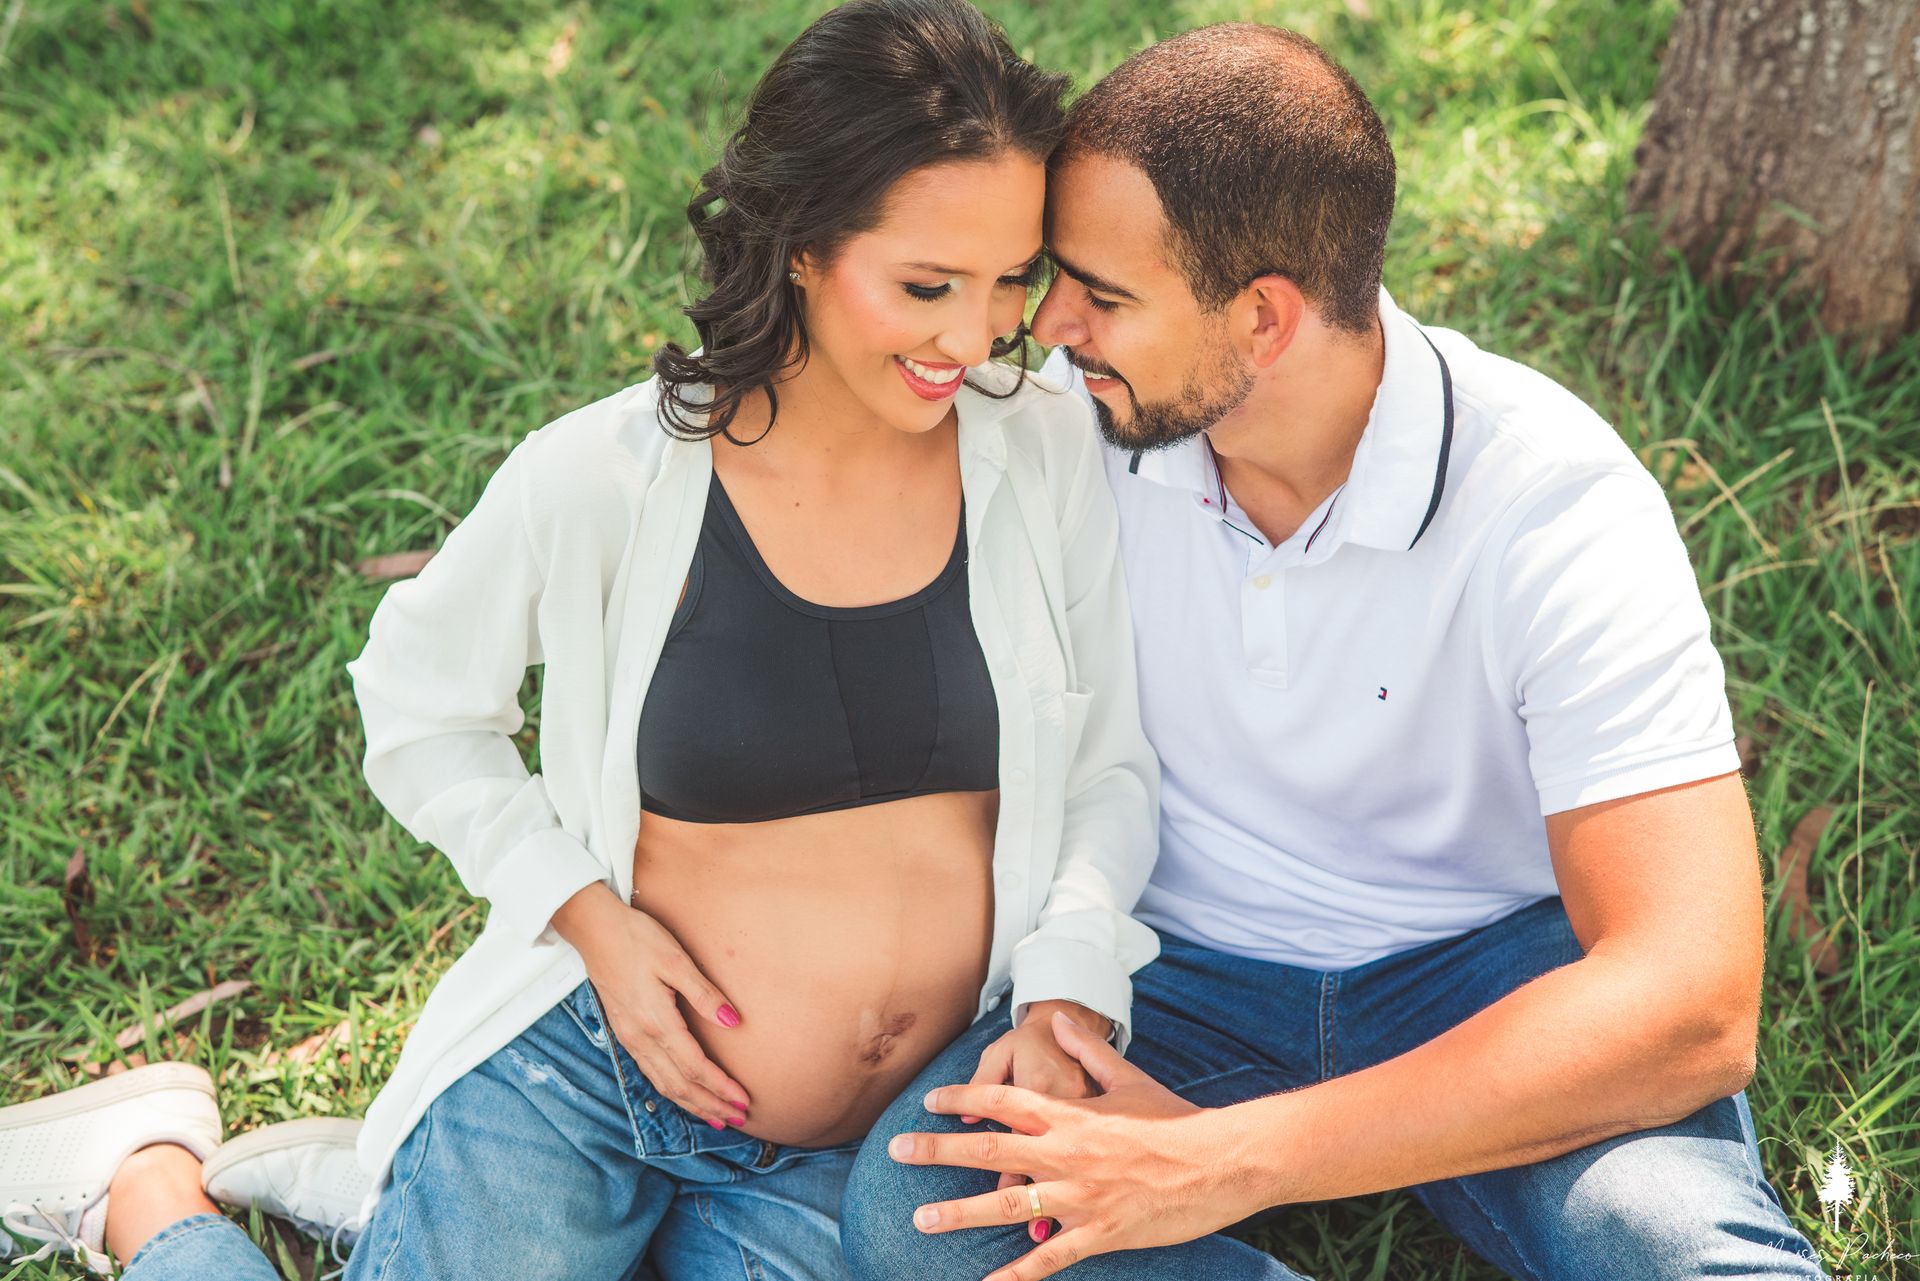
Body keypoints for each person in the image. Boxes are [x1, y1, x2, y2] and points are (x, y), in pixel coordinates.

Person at [0, 3, 1161, 1277]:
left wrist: (1067, 987)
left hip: (858, 1149)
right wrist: (591, 920)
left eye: (1010, 282)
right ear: (802, 248)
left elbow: (1106, 765)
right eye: (926, 286)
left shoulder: (1042, 451)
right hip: (591, 1080)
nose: (974, 338)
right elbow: (419, 707)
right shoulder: (604, 478)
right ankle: (147, 1188)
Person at [841, 23, 1829, 1281]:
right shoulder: (1067, 434)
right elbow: (779, 427)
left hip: (1486, 982)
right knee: (922, 1221)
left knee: (1678, 1252)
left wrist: (1233, 1159)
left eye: (1104, 295)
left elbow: (1692, 1004)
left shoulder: (1553, 506)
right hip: (1167, 967)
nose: (1047, 327)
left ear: (1263, 320)